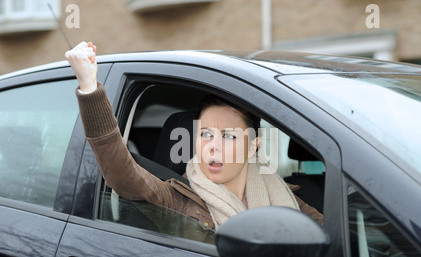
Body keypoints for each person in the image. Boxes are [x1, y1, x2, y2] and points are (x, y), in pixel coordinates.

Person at [65, 41, 322, 230]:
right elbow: (123, 177)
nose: (213, 147)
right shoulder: (179, 199)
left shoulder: (281, 193)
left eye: (229, 137)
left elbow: (334, 238)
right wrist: (89, 88)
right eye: (206, 134)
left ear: (253, 145)